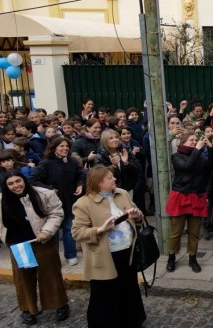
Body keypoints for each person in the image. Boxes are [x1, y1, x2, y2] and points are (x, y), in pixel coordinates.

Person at [71, 166, 146, 328]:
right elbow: (77, 233)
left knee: (129, 289)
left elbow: (138, 215)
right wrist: (100, 229)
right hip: (104, 257)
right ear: (98, 183)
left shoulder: (122, 193)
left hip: (128, 253)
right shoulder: (83, 204)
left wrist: (137, 215)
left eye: (113, 177)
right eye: (110, 178)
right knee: (105, 295)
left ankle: (132, 321)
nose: (114, 180)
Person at [0, 171, 70, 325]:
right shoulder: (2, 200)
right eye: (10, 183)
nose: (16, 185)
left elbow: (56, 213)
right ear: (6, 186)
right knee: (23, 279)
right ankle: (28, 309)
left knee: (51, 275)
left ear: (24, 180)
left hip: (42, 241)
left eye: (18, 181)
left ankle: (60, 305)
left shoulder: (44, 194)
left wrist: (46, 231)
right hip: (19, 245)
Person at [29, 137, 84, 266]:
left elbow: (80, 175)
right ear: (54, 148)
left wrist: (80, 184)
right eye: (61, 146)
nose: (65, 148)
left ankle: (71, 255)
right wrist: (50, 189)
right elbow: (33, 180)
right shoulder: (46, 163)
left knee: (69, 229)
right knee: (53, 232)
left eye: (66, 146)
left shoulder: (72, 162)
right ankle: (53, 258)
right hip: (52, 205)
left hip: (70, 202)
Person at [166, 133, 212, 273]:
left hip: (196, 196)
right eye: (191, 140)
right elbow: (187, 166)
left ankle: (193, 258)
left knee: (194, 232)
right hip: (181, 195)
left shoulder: (199, 155)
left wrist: (210, 149)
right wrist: (198, 149)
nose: (194, 142)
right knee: (176, 232)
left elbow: (210, 166)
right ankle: (171, 257)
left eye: (195, 140)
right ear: (183, 142)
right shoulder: (177, 156)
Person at [94, 129, 141, 195]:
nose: (115, 140)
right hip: (110, 191)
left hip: (128, 189)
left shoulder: (125, 150)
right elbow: (99, 176)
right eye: (111, 138)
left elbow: (138, 169)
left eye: (116, 137)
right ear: (105, 141)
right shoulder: (100, 156)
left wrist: (126, 163)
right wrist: (113, 166)